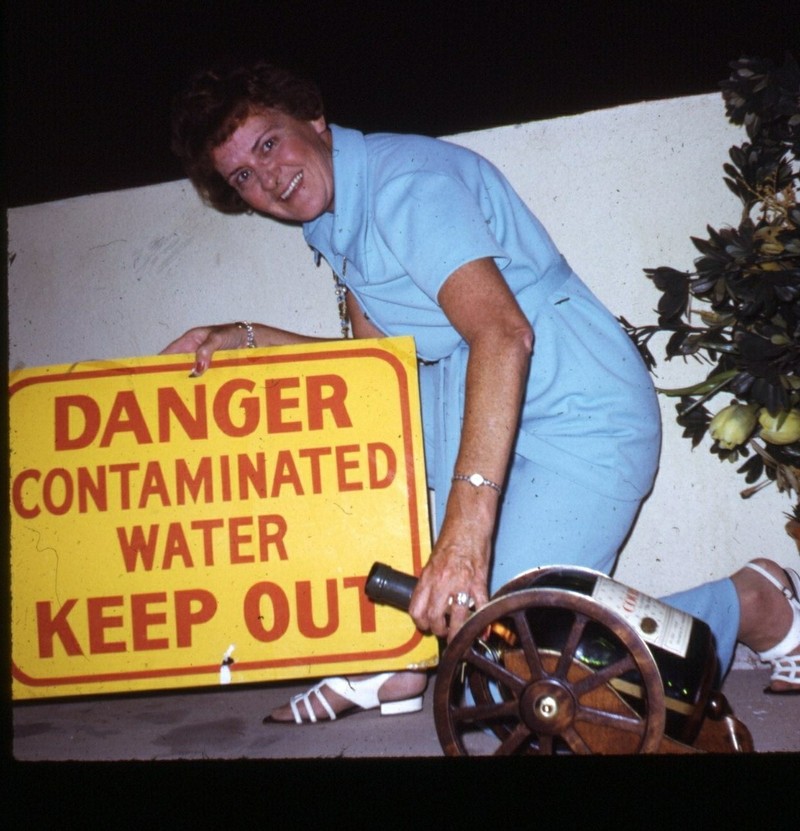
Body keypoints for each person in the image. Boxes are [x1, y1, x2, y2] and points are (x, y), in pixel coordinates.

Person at [162, 60, 800, 722]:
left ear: (313, 119)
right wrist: (246, 338)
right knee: (487, 653)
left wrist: (464, 543)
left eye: (268, 143)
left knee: (509, 678)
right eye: (243, 175)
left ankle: (750, 603)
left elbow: (501, 334)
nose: (267, 178)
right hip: (493, 419)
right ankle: (397, 661)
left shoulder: (405, 185)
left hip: (577, 414)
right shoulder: (336, 220)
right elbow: (377, 371)